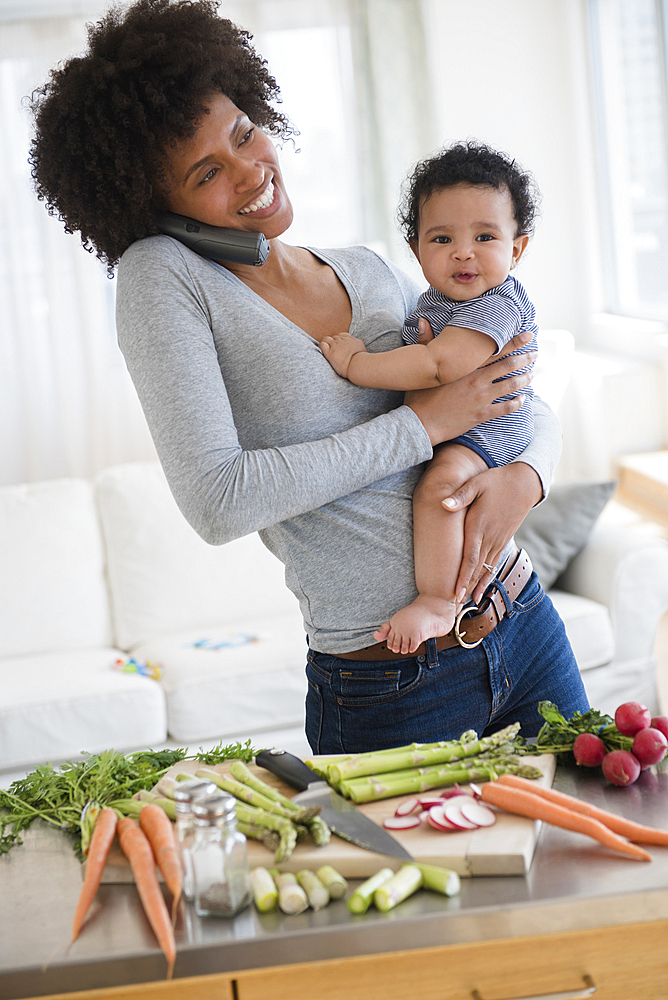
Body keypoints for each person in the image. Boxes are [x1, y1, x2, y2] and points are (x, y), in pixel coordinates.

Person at [28, 0, 589, 753]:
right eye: (206, 174)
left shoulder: (368, 266)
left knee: (605, 859)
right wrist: (422, 425)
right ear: (154, 207)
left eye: (243, 134)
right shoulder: (163, 277)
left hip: (524, 622)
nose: (251, 172)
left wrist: (531, 475)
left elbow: (510, 382)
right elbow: (218, 500)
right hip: (390, 678)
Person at [319, 142, 539, 656]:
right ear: (417, 252)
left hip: (489, 433)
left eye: (485, 236)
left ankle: (439, 600)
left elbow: (440, 364)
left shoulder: (496, 305)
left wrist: (356, 364)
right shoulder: (437, 300)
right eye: (443, 238)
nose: (464, 251)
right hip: (466, 425)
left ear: (517, 248)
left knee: (438, 490)